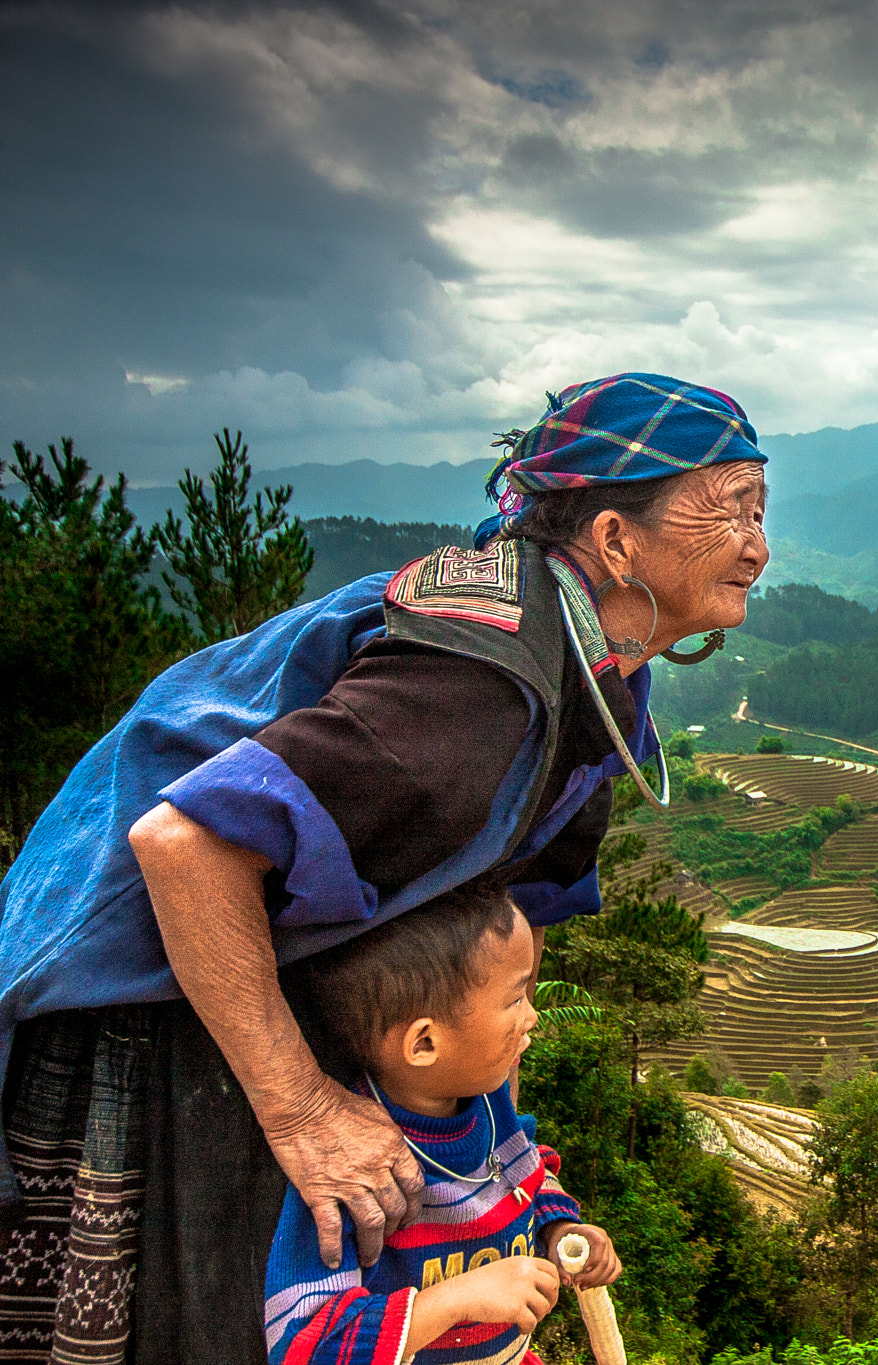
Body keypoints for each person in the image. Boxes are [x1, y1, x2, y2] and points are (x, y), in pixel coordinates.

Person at [0, 374, 767, 1362]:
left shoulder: (598, 677)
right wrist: (304, 1107)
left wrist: (493, 1176)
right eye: (729, 511)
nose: (755, 544)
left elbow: (474, 945)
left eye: (760, 511)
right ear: (615, 540)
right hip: (160, 989)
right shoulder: (472, 690)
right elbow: (182, 848)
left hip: (290, 994)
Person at [265, 879, 618, 1365]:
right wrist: (453, 1300)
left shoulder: (488, 1104)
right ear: (425, 1043)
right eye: (516, 999)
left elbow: (526, 1175)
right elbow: (305, 1346)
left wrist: (560, 1230)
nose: (532, 1016)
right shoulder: (349, 1164)